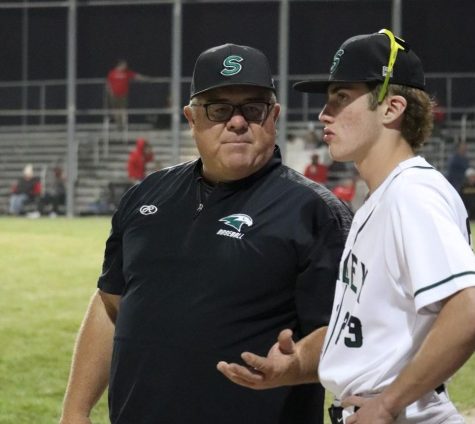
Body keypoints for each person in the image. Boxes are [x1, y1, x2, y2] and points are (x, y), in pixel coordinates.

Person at [59, 43, 353, 424]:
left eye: (253, 108)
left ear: (274, 116)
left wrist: (295, 365)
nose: (237, 121)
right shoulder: (146, 195)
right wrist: (75, 412)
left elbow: (341, 331)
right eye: (219, 109)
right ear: (191, 118)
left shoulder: (314, 210)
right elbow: (110, 302)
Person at [217, 29, 475, 424]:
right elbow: (373, 337)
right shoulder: (384, 198)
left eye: (341, 98)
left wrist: (388, 404)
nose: (324, 113)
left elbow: (468, 308)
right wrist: (295, 366)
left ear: (391, 109)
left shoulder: (413, 193)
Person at [106, 59, 149, 129]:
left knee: (123, 110)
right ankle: (118, 125)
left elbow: (136, 76)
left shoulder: (127, 73)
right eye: (124, 65)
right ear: (120, 65)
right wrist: (110, 92)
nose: (125, 67)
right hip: (114, 95)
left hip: (123, 95)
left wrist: (146, 79)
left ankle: (124, 125)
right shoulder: (112, 73)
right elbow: (108, 84)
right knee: (116, 110)